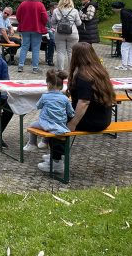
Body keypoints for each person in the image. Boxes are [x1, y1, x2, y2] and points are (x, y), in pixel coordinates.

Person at [41, 43, 115, 173]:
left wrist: (73, 123)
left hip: (91, 121)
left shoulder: (83, 76)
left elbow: (84, 102)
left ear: (76, 57)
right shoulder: (99, 71)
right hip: (104, 119)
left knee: (54, 119)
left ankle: (57, 162)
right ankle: (56, 155)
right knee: (59, 115)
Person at [23, 70, 74, 152]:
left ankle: (32, 144)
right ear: (61, 86)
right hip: (60, 124)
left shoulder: (45, 96)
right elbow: (71, 112)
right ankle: (44, 141)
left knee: (32, 125)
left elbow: (38, 106)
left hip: (46, 123)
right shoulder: (65, 98)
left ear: (49, 85)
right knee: (48, 127)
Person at [15, 0, 48, 73]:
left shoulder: (23, 4)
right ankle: (35, 68)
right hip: (37, 28)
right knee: (36, 48)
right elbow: (45, 18)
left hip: (25, 28)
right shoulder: (40, 5)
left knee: (24, 46)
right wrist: (42, 25)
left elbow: (18, 16)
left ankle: (21, 66)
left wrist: (22, 22)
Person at [50, 0, 82, 71]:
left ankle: (60, 70)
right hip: (72, 33)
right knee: (71, 52)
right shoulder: (74, 11)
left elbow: (52, 22)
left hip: (59, 33)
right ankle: (71, 70)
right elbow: (78, 23)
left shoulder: (56, 10)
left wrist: (56, 27)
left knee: (60, 52)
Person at [110, 0, 132, 71]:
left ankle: (124, 65)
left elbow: (125, 26)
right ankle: (129, 65)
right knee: (131, 49)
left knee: (124, 48)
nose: (112, 10)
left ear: (116, 8)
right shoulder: (127, 11)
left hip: (131, 34)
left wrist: (124, 36)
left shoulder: (123, 13)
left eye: (113, 8)